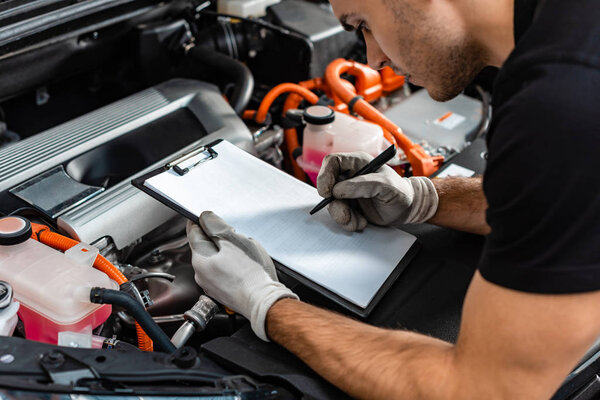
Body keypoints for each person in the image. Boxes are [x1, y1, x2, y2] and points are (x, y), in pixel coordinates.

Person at [186, 0, 600, 398]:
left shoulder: (562, 102)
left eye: (363, 22)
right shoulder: (557, 35)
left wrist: (265, 304)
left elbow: (480, 389)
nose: (371, 60)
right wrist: (423, 198)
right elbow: (553, 197)